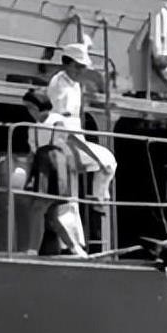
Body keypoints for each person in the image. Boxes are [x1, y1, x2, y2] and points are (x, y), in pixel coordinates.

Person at [47, 41, 117, 251]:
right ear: (66, 63)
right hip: (62, 140)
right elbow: (66, 129)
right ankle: (71, 246)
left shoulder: (75, 85)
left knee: (108, 161)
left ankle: (98, 199)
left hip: (75, 137)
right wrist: (92, 157)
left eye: (83, 67)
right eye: (77, 66)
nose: (81, 71)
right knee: (69, 198)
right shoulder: (59, 83)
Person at [22, 90, 88, 256]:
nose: (29, 111)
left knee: (37, 208)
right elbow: (32, 154)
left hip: (55, 166)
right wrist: (28, 177)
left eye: (30, 107)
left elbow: (67, 142)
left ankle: (32, 249)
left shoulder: (57, 121)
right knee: (52, 216)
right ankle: (75, 248)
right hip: (40, 167)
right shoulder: (32, 128)